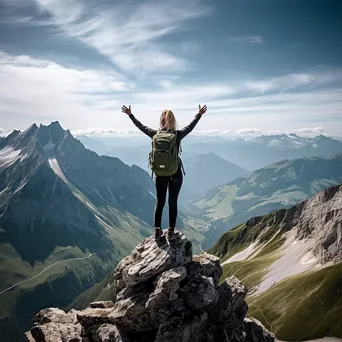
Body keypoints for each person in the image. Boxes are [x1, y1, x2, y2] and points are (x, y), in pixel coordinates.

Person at [121, 104, 207, 242]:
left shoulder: (155, 134)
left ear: (161, 121)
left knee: (160, 202)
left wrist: (130, 115)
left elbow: (141, 127)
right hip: (175, 173)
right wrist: (199, 114)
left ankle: (157, 231)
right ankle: (171, 231)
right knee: (172, 202)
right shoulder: (177, 135)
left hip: (160, 174)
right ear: (172, 121)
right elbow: (190, 127)